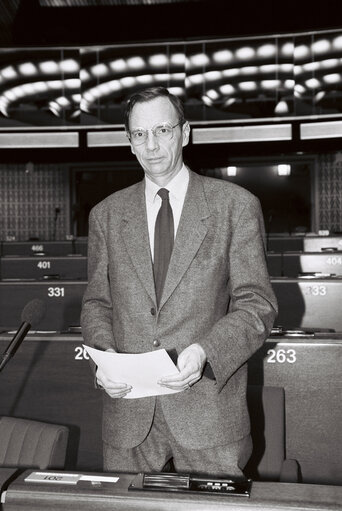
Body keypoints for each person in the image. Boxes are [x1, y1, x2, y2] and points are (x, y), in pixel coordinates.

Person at [81, 86, 278, 477]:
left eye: (163, 130)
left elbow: (257, 305)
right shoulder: (105, 215)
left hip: (209, 416)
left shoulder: (234, 206)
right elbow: (97, 305)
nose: (152, 145)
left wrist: (205, 350)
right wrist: (102, 358)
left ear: (185, 133)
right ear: (130, 142)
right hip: (129, 419)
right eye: (140, 134)